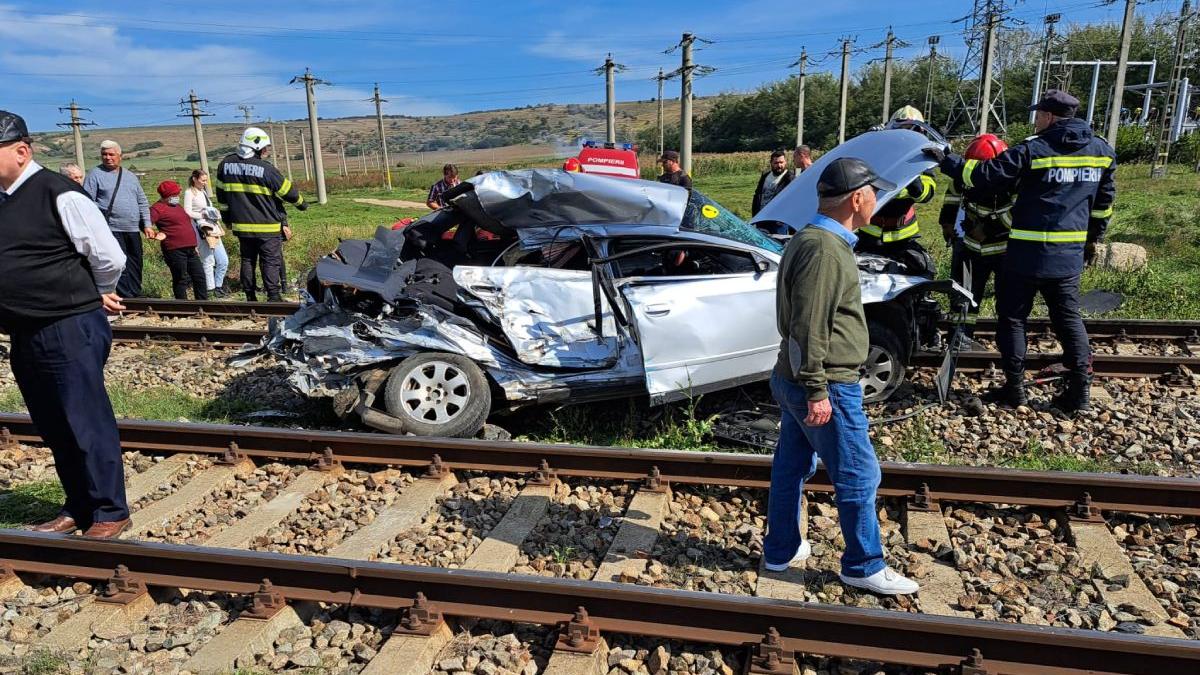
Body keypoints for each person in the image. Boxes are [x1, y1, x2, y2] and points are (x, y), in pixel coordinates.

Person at [765, 156, 918, 595]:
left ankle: (780, 550)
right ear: (858, 198)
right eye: (874, 192)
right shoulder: (825, 250)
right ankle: (863, 564)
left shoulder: (812, 239)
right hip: (824, 381)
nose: (877, 200)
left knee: (792, 466)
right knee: (858, 472)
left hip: (801, 376)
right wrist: (816, 389)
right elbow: (810, 325)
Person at [931, 90, 1116, 413]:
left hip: (1025, 254)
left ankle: (1015, 390)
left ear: (1050, 117)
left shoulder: (1034, 150)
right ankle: (1080, 394)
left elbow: (983, 176)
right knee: (1068, 319)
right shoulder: (1101, 151)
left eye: (1038, 114)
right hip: (1068, 255)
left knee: (1013, 319)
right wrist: (1092, 240)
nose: (1036, 119)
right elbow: (1103, 205)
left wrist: (945, 159)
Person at [0, 110, 131, 538]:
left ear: (21, 151)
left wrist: (97, 290)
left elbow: (109, 257)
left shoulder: (60, 194)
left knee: (85, 420)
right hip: (24, 330)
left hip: (68, 326)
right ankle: (77, 505)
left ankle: (110, 511)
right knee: (53, 424)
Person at [938, 133, 1015, 340]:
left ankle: (1008, 339)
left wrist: (988, 230)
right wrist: (947, 222)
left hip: (1004, 248)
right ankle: (959, 336)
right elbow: (953, 194)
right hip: (971, 246)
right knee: (964, 294)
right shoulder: (963, 176)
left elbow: (1018, 213)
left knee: (1008, 298)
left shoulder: (1013, 180)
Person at [216, 127, 306, 302]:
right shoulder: (266, 169)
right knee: (270, 261)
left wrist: (227, 220)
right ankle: (273, 295)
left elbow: (222, 197)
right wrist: (302, 204)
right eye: (265, 147)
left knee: (247, 260)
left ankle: (250, 296)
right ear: (256, 146)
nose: (266, 151)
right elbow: (289, 192)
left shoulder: (225, 165)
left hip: (241, 226)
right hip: (267, 226)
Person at [855, 106, 937, 277]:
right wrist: (869, 143)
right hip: (870, 234)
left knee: (921, 273)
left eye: (912, 131)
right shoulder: (879, 152)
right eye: (903, 130)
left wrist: (913, 178)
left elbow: (927, 193)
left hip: (904, 235)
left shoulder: (923, 156)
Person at [83, 140, 152, 298]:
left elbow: (142, 201)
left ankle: (135, 292)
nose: (107, 157)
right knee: (120, 263)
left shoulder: (130, 176)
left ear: (120, 156)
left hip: (132, 228)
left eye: (111, 154)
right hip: (111, 228)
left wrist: (147, 224)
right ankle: (126, 296)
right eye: (104, 154)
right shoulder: (94, 175)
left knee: (136, 262)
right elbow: (87, 202)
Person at [148, 181, 207, 300]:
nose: (177, 197)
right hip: (174, 249)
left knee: (199, 276)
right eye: (174, 195)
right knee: (181, 278)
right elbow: (144, 224)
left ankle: (202, 304)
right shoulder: (157, 209)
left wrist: (194, 245)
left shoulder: (177, 206)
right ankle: (183, 306)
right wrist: (155, 234)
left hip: (190, 249)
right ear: (167, 196)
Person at [183, 170, 230, 297]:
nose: (205, 183)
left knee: (223, 260)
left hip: (213, 228)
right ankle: (210, 289)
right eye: (203, 180)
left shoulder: (203, 192)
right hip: (201, 229)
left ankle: (218, 286)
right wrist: (202, 215)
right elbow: (187, 212)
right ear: (195, 179)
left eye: (206, 180)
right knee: (208, 260)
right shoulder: (189, 193)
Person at [751, 150, 795, 216]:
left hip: (778, 220)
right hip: (761, 217)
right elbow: (757, 195)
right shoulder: (765, 176)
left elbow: (792, 200)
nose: (779, 165)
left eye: (781, 162)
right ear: (771, 163)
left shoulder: (790, 178)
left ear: (785, 162)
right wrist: (754, 215)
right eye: (776, 163)